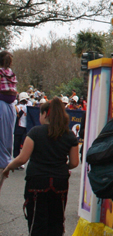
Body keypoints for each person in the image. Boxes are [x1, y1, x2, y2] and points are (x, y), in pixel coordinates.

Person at [2, 98, 80, 235]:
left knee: (37, 222)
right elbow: (74, 163)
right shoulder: (70, 135)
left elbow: (22, 158)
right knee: (56, 221)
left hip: (37, 181)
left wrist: (8, 168)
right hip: (60, 181)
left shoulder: (35, 132)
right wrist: (60, 167)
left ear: (45, 114)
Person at [0, 50, 18, 169]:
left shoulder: (6, 72)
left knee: (4, 135)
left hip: (4, 103)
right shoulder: (10, 72)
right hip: (8, 103)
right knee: (6, 135)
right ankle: (5, 160)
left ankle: (4, 160)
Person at [14, 91, 30, 158]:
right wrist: (22, 111)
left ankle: (21, 159)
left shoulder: (29, 107)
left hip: (25, 128)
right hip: (18, 128)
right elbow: (16, 118)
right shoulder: (16, 107)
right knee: (16, 145)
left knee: (24, 146)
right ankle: (16, 159)